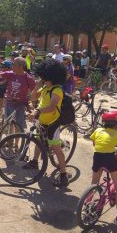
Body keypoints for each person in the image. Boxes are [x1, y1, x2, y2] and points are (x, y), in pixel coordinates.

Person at [28, 59, 68, 187]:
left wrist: (37, 111)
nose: (42, 78)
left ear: (51, 76)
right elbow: (33, 98)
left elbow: (51, 107)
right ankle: (34, 161)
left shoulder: (57, 90)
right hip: (42, 120)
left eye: (44, 77)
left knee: (56, 148)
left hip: (53, 122)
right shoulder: (45, 87)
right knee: (39, 142)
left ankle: (63, 175)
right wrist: (37, 85)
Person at [0, 57, 36, 133]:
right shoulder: (11, 74)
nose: (12, 66)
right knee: (9, 123)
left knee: (19, 125)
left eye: (14, 64)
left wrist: (30, 102)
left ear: (21, 67)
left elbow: (34, 91)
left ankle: (17, 144)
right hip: (9, 103)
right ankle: (10, 139)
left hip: (20, 104)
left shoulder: (28, 78)